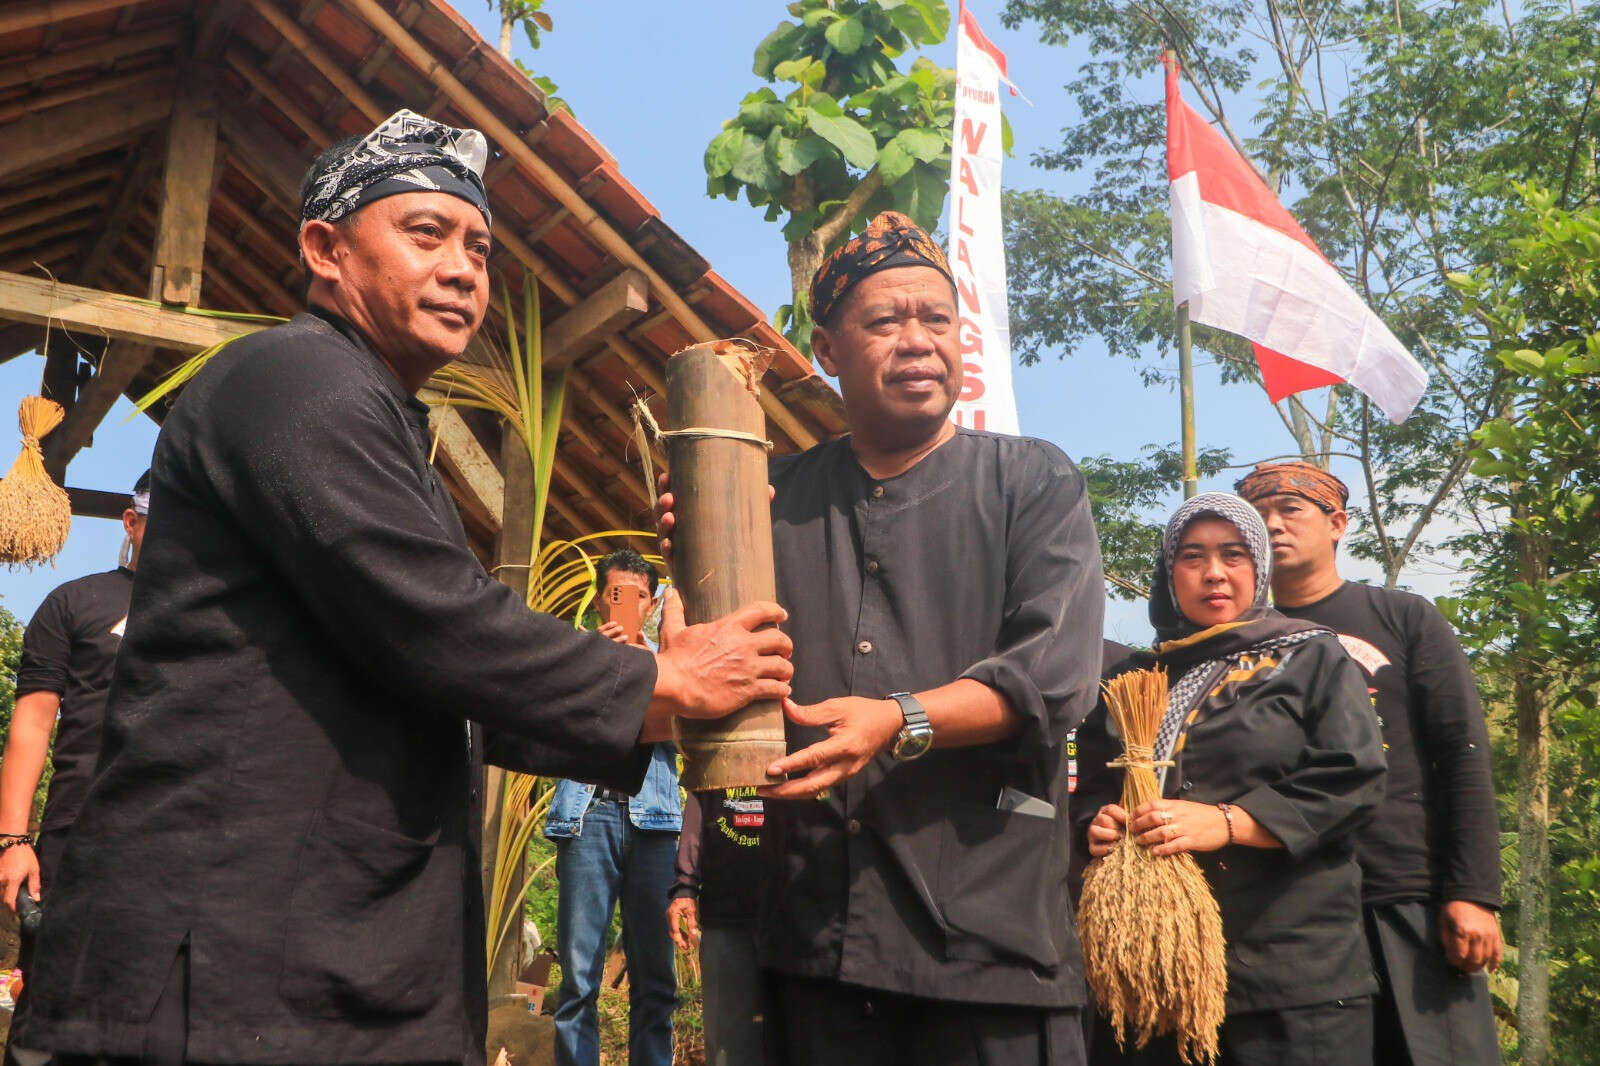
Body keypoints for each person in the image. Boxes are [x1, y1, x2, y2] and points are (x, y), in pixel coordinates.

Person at [11, 110, 794, 1066]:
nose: (465, 267)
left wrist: (673, 692)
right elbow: (443, 628)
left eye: (478, 246)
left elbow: (463, 687)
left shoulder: (389, 430)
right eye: (426, 234)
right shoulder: (291, 376)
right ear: (325, 247)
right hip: (222, 961)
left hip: (324, 966)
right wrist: (664, 686)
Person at [659, 211, 1106, 1065]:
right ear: (827, 350)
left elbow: (1051, 678)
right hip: (817, 937)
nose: (917, 342)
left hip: (985, 945)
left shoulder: (1032, 479)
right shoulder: (771, 497)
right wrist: (700, 550)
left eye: (937, 319)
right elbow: (722, 664)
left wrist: (894, 719)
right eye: (885, 321)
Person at [1077, 492, 1386, 1066]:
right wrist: (1096, 824)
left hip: (1287, 975)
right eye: (1192, 557)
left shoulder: (1312, 656)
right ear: (1169, 574)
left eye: (1235, 554)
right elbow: (1093, 783)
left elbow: (1355, 777)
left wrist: (1229, 821)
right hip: (1154, 975)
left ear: (1260, 567)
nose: (1214, 572)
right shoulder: (1133, 679)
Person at [1236, 462, 1503, 1066]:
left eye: (1291, 511)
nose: (1274, 526)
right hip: (1286, 910)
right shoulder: (1237, 641)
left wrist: (1474, 891)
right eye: (1259, 517)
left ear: (1338, 524)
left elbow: (1461, 754)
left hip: (1404, 895)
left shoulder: (1403, 618)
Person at [1, 471, 150, 1065]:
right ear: (131, 522)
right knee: (46, 1019)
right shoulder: (75, 602)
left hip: (185, 840)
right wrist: (13, 838)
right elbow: (32, 726)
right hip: (74, 839)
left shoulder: (228, 612)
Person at [545, 549, 681, 1066]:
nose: (629, 602)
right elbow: (553, 726)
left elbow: (681, 736)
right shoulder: (575, 654)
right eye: (618, 592)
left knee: (656, 976)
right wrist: (592, 666)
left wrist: (648, 664)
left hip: (655, 824)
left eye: (640, 595)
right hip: (587, 817)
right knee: (579, 976)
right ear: (602, 598)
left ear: (651, 603)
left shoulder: (669, 663)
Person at [667, 786, 769, 1066]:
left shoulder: (804, 741)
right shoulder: (712, 745)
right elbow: (699, 793)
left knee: (798, 1041)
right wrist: (685, 886)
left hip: (793, 912)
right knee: (727, 1049)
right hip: (726, 912)